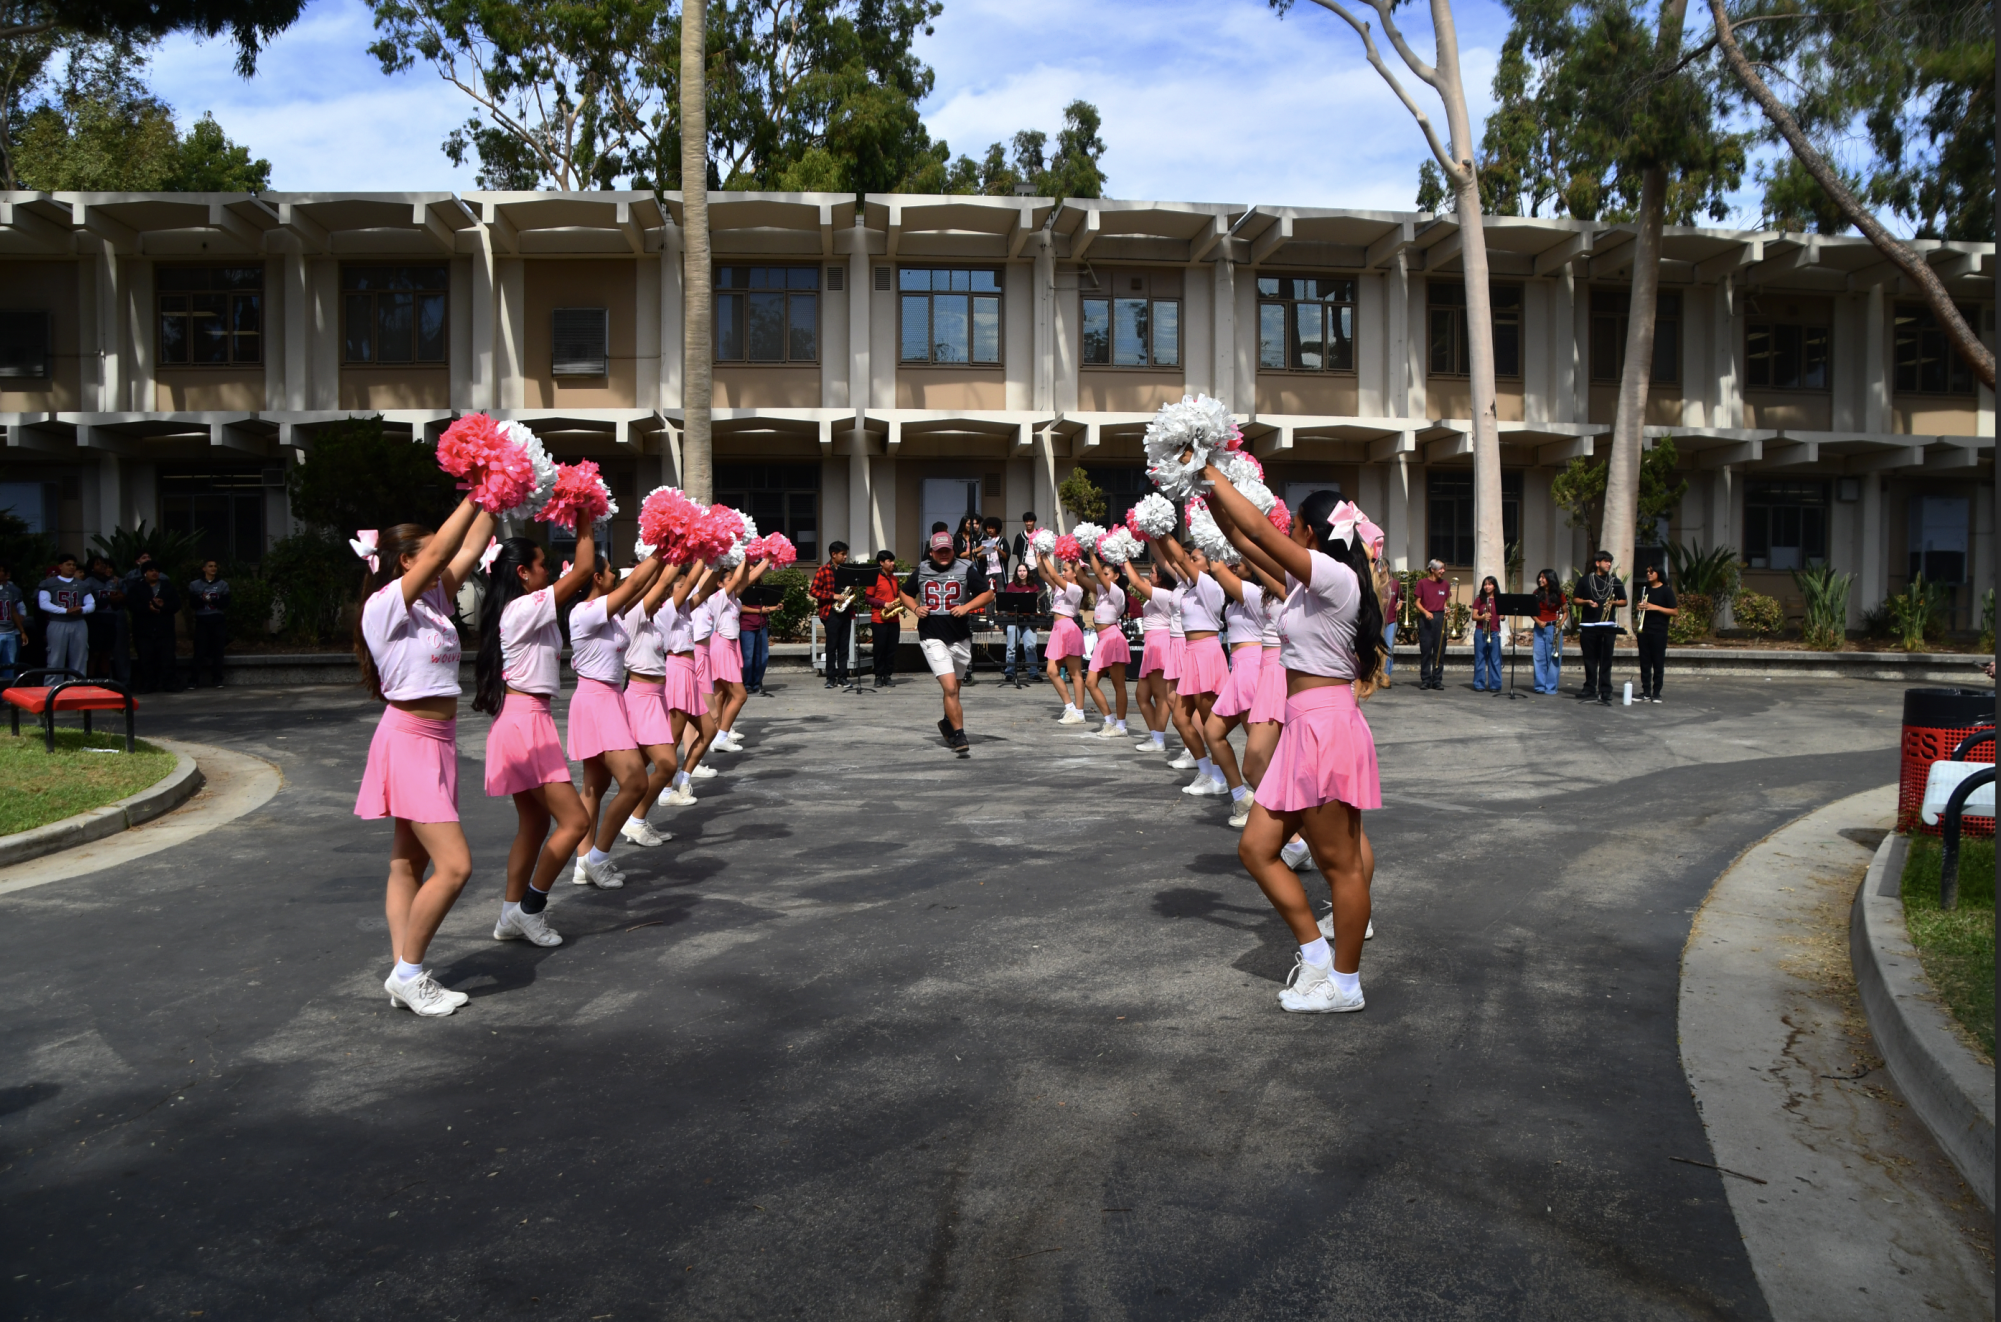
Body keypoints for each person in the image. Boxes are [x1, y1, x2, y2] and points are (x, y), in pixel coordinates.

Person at [1206, 478, 1385, 1015]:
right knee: (1256, 850)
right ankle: (1315, 956)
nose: (1287, 531)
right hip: (1301, 724)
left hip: (1325, 727)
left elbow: (1260, 528)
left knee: (1341, 867)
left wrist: (1214, 469)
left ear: (1310, 530)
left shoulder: (1334, 575)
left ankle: (1345, 985)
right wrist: (1202, 492)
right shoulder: (1310, 583)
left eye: (1295, 526)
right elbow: (1245, 540)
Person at [351, 503, 493, 1016]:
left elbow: (472, 545)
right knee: (455, 867)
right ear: (406, 562)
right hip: (409, 739)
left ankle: (401, 971)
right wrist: (474, 495)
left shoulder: (434, 597)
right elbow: (445, 548)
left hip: (437, 740)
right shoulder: (387, 603)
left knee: (409, 861)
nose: (442, 558)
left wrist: (497, 490)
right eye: (429, 552)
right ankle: (409, 973)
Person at [475, 530, 600, 948]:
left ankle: (511, 913)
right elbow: (584, 569)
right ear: (523, 573)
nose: (550, 571)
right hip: (525, 722)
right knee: (576, 821)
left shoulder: (524, 608)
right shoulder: (523, 607)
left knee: (534, 822)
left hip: (525, 719)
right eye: (543, 564)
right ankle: (531, 909)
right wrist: (585, 515)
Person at [565, 547, 663, 890]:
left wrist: (675, 553)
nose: (616, 578)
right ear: (597, 578)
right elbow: (636, 579)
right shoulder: (586, 611)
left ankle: (583, 861)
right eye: (610, 573)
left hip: (609, 698)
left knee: (596, 785)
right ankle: (596, 858)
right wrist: (665, 546)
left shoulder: (611, 612)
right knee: (635, 781)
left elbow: (644, 584)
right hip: (595, 701)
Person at [1207, 555, 1286, 827]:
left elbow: (1214, 567)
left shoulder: (1252, 591)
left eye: (1240, 561)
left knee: (1261, 753)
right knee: (1212, 732)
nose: (1233, 564)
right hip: (1241, 667)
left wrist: (1213, 537)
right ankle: (1243, 797)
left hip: (1255, 665)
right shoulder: (1243, 597)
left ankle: (1276, 817)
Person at [1150, 533, 1231, 797]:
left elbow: (1180, 558)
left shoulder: (1210, 587)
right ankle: (1206, 770)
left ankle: (1220, 777)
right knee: (1181, 719)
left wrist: (1164, 531)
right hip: (1190, 653)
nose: (1188, 562)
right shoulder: (1191, 586)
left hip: (1207, 653)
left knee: (1209, 723)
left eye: (1196, 559)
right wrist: (1154, 535)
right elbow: (1173, 559)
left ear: (1209, 565)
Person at [899, 530, 994, 755]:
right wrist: (915, 608)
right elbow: (904, 593)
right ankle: (960, 735)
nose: (943, 554)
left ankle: (946, 722)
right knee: (950, 687)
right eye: (939, 551)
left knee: (955, 690)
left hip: (959, 635)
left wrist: (966, 607)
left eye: (947, 550)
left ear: (953, 549)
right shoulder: (921, 569)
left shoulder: (965, 568)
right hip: (931, 635)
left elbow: (988, 594)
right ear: (931, 551)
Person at [616, 552, 685, 847]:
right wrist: (678, 548)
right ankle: (635, 820)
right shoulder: (630, 616)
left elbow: (667, 586)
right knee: (667, 765)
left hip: (656, 696)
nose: (660, 599)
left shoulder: (653, 622)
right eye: (654, 593)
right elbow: (663, 580)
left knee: (643, 770)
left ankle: (634, 820)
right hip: (640, 698)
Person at [710, 552, 769, 747]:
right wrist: (745, 554)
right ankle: (721, 737)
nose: (734, 582)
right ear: (719, 583)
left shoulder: (733, 598)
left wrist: (767, 560)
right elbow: (738, 578)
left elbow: (746, 579)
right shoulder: (718, 598)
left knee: (721, 693)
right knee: (740, 695)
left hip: (732, 645)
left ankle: (717, 731)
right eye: (727, 579)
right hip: (722, 645)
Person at [1121, 558, 1175, 752]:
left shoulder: (1163, 595)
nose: (1149, 575)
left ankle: (1159, 739)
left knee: (1161, 696)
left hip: (1160, 643)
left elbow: (1136, 583)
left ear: (1161, 578)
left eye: (1152, 572)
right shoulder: (1157, 592)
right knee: (1142, 695)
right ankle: (1155, 736)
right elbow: (1137, 581)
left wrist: (1125, 559)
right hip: (1151, 643)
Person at [1035, 550, 1089, 723]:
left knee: (1075, 674)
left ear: (1075, 573)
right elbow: (1044, 573)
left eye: (1066, 570)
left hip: (1068, 629)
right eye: (1063, 569)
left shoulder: (1076, 589)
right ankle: (1070, 707)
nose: (1063, 573)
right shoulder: (1061, 586)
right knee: (1051, 671)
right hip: (1057, 629)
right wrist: (1038, 555)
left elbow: (1053, 574)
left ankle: (1079, 712)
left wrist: (1046, 557)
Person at [1081, 552, 1130, 739]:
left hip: (1114, 638)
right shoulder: (1101, 592)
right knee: (1090, 682)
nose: (1103, 575)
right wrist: (1075, 558)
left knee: (1119, 685)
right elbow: (1083, 579)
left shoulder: (1116, 592)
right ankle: (1109, 721)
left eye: (1107, 573)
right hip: (1102, 640)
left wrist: (1092, 550)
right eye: (1103, 573)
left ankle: (1121, 725)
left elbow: (1098, 575)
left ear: (1116, 576)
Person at [1574, 551, 1625, 705]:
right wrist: (1586, 602)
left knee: (1606, 658)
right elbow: (1575, 599)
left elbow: (1624, 601)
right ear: (1597, 563)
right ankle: (1589, 687)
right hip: (1589, 624)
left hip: (1607, 625)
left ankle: (1605, 689)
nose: (1609, 564)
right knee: (1589, 658)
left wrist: (1614, 603)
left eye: (1610, 562)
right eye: (1606, 561)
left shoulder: (1615, 581)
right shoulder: (1585, 580)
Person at [127, 560, 180, 693]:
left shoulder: (167, 587)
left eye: (156, 570)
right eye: (151, 570)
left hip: (164, 628)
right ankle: (148, 684)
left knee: (167, 657)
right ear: (145, 573)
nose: (154, 573)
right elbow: (132, 605)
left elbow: (176, 604)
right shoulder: (137, 588)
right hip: (144, 630)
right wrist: (147, 608)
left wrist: (163, 606)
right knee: (146, 658)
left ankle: (169, 683)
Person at [37, 553, 93, 678]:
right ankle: (53, 689)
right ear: (60, 566)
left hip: (78, 622)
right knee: (56, 658)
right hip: (58, 622)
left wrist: (82, 610)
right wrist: (66, 611)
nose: (72, 567)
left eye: (74, 565)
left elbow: (91, 604)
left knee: (80, 657)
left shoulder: (82, 584)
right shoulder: (49, 583)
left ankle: (76, 686)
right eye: (68, 564)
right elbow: (44, 604)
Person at [809, 542, 854, 689]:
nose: (845, 557)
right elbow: (813, 591)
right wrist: (832, 595)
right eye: (842, 554)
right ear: (833, 554)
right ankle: (830, 677)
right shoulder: (823, 570)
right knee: (831, 646)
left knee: (844, 647)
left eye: (845, 554)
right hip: (830, 612)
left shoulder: (847, 570)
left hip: (845, 612)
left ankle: (843, 677)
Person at [1634, 564, 1677, 702]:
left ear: (1658, 573)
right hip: (1644, 630)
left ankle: (1656, 692)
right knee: (1644, 662)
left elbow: (1674, 611)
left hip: (1659, 631)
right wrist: (1638, 607)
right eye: (1647, 571)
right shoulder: (1643, 590)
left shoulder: (1666, 591)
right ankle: (1646, 691)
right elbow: (1638, 608)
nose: (1648, 574)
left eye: (1651, 572)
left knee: (1658, 662)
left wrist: (1655, 607)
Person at [188, 560, 230, 688]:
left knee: (218, 651)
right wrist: (202, 599)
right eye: (210, 566)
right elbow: (192, 603)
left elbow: (225, 603)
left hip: (217, 620)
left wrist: (212, 600)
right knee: (199, 651)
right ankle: (194, 680)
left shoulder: (222, 584)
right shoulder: (195, 585)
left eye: (215, 566)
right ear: (204, 569)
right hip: (202, 620)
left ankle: (217, 679)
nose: (213, 568)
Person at [82, 555, 125, 681]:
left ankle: (105, 682)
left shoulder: (111, 581)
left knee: (106, 653)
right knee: (94, 653)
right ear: (92, 567)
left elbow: (116, 605)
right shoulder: (88, 582)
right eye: (98, 564)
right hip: (95, 620)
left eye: (103, 564)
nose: (103, 566)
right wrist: (107, 599)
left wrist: (118, 599)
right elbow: (88, 603)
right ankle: (90, 680)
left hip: (110, 620)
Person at [865, 549, 902, 688]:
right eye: (889, 561)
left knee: (891, 649)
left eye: (893, 561)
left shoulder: (894, 578)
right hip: (879, 619)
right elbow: (867, 598)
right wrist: (884, 604)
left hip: (894, 619)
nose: (893, 563)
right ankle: (878, 676)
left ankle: (888, 675)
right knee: (879, 648)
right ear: (881, 563)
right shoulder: (874, 578)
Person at [1000, 563, 1041, 682]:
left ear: (1028, 572)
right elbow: (1006, 604)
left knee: (1030, 646)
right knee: (1011, 647)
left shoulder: (1034, 587)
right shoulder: (1011, 586)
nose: (1022, 573)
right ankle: (1009, 672)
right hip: (1014, 620)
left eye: (1024, 570)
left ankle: (1033, 672)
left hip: (1029, 620)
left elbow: (1036, 604)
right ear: (1016, 572)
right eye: (1019, 571)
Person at [1414, 559, 1449, 691]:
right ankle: (1426, 679)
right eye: (1440, 568)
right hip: (1426, 618)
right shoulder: (1422, 583)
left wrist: (1447, 610)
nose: (1443, 571)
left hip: (1440, 618)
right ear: (1432, 569)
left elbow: (1445, 601)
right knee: (1426, 650)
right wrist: (1425, 612)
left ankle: (1437, 680)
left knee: (1439, 650)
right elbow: (1417, 602)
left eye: (1443, 568)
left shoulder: (1445, 584)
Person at [1531, 569, 1565, 694]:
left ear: (1550, 579)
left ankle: (1551, 687)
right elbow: (1532, 610)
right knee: (1538, 656)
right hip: (1539, 627)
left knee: (1554, 657)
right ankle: (1540, 685)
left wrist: (1560, 624)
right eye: (1540, 577)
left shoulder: (1559, 594)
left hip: (1554, 627)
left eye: (1543, 577)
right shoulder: (1536, 593)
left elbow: (1565, 611)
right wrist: (1538, 621)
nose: (1541, 579)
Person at [1471, 575, 1503, 693]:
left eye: (1489, 584)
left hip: (1494, 632)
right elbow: (1474, 616)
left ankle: (1495, 684)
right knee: (1480, 658)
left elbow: (1503, 616)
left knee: (1495, 659)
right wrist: (1483, 617)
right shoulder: (1479, 599)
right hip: (1481, 631)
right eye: (1485, 584)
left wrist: (1502, 615)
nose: (1487, 586)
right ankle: (1479, 684)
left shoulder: (1499, 599)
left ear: (1494, 586)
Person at [738, 585, 771, 695]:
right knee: (748, 657)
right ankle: (747, 683)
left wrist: (775, 606)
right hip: (747, 626)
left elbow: (765, 605)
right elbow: (740, 607)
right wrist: (758, 611)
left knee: (763, 656)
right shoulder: (741, 589)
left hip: (761, 625)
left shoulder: (761, 589)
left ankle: (757, 682)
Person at [1374, 556, 1400, 687]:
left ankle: (1386, 677)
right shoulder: (1374, 582)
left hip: (1391, 620)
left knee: (1388, 648)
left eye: (1380, 566)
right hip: (1377, 620)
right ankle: (1376, 675)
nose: (1378, 569)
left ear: (1386, 568)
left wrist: (1400, 604)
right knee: (1377, 648)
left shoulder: (1395, 583)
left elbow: (1400, 599)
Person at [0, 562, 22, 683]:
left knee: (10, 667)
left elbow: (13, 611)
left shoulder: (11, 590)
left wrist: (22, 631)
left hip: (10, 632)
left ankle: (6, 697)